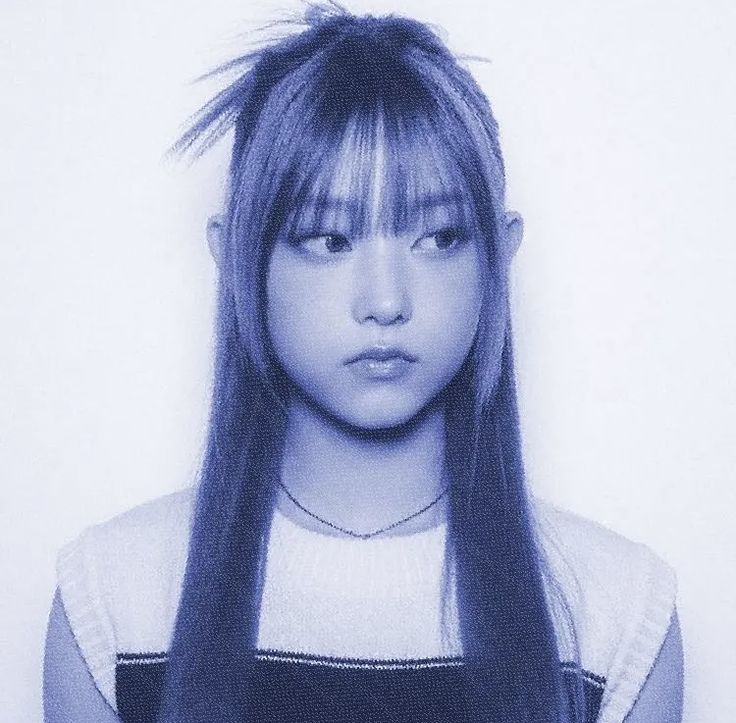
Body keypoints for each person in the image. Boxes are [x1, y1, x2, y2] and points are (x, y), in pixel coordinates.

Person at [43, 4, 683, 722]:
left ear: (499, 256)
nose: (385, 301)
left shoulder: (616, 614)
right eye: (329, 238)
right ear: (235, 258)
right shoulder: (116, 599)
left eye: (439, 237)